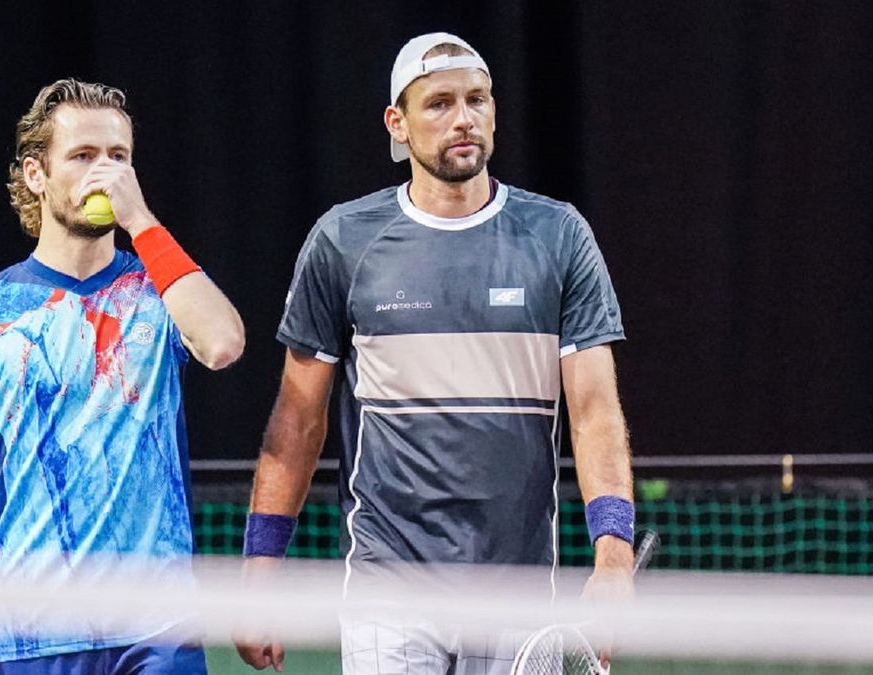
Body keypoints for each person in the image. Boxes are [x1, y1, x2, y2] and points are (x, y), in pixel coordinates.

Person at [236, 32, 635, 674]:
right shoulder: (343, 241)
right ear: (397, 123)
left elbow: (595, 413)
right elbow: (298, 417)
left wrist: (613, 556)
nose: (463, 118)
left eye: (477, 100)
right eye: (439, 103)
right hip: (386, 585)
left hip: (519, 592)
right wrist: (260, 566)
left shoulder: (560, 236)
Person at [0, 78, 245, 675]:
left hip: (158, 630)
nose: (106, 172)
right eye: (84, 156)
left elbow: (221, 343)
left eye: (119, 157)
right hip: (27, 634)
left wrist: (141, 221)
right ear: (37, 175)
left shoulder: (159, 291)